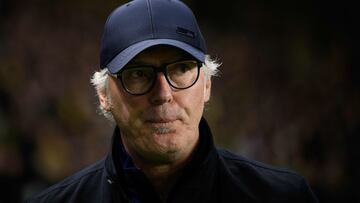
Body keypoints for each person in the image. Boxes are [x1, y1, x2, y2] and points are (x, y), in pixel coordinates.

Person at [26, 0, 319, 202]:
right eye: (139, 73)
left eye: (180, 69)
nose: (163, 93)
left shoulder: (284, 197)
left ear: (206, 86)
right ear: (104, 95)